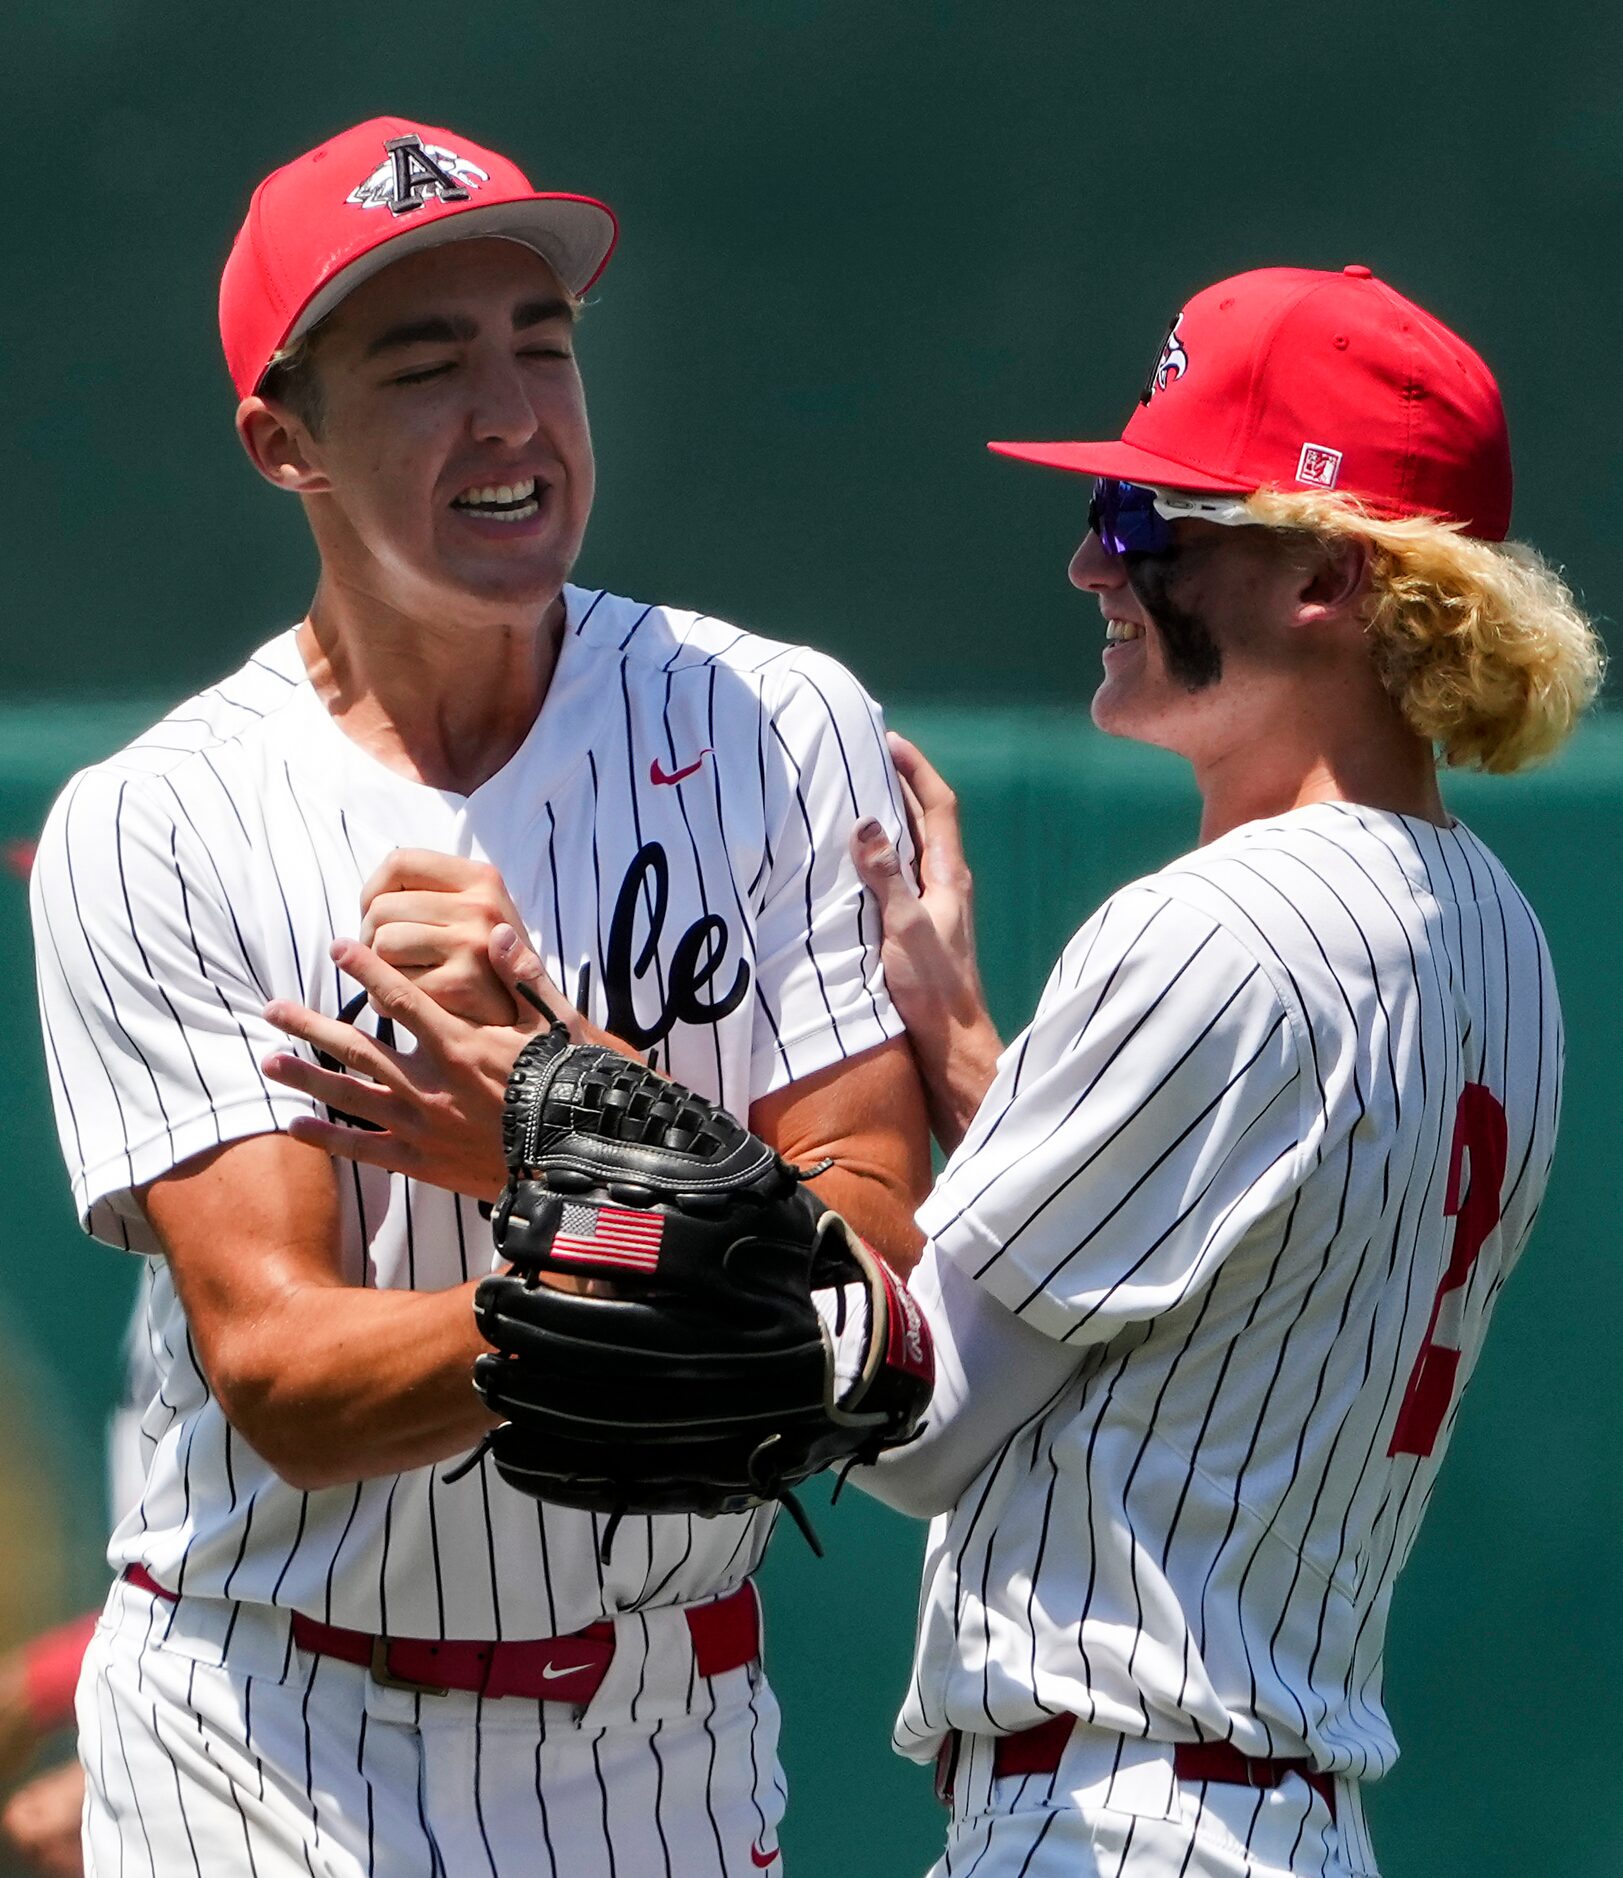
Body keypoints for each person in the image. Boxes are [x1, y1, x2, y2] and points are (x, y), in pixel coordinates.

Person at [30, 115, 928, 1877]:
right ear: (282, 439)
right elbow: (286, 1369)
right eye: (428, 364)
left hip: (667, 1732)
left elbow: (871, 1224)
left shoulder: (767, 722)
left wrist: (560, 1135)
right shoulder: (160, 820)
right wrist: (647, 1281)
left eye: (544, 346)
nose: (511, 415)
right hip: (267, 1739)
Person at [842, 266, 1604, 1875]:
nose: (1088, 559)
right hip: (1282, 1813)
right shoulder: (1509, 944)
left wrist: (562, 1122)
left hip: (1113, 1813)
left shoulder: (1215, 929)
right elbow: (1200, 1248)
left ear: (1329, 571)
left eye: (1144, 518)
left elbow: (921, 1425)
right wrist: (980, 1059)